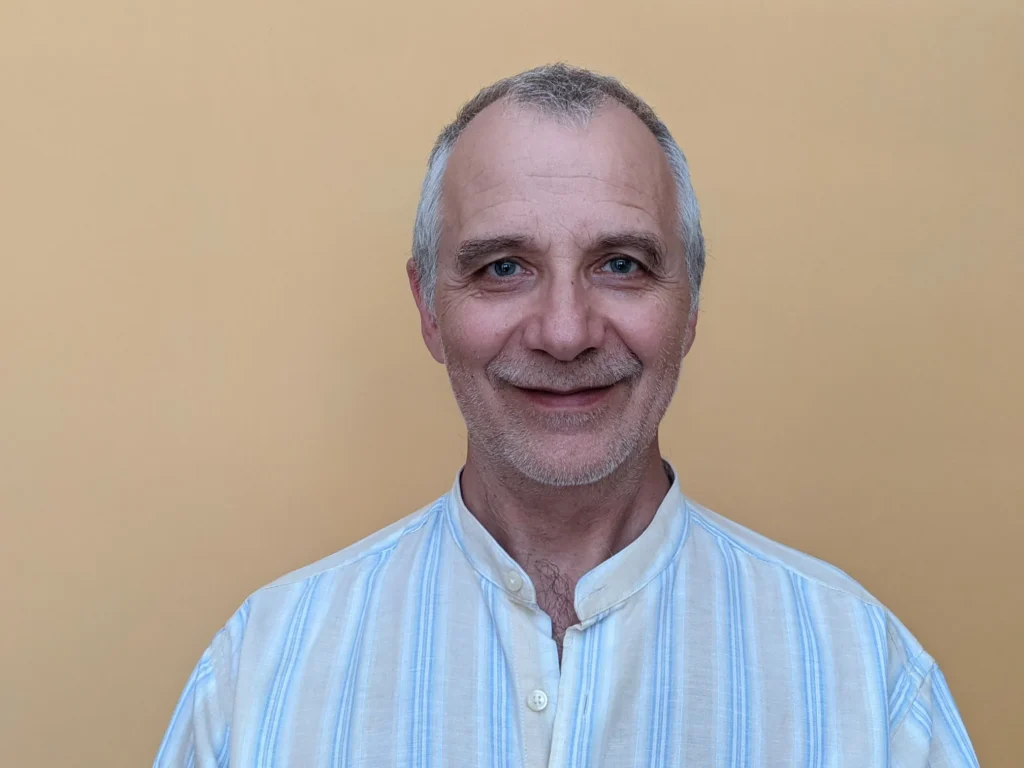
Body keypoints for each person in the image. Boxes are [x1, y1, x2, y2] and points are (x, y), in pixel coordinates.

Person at [155, 64, 978, 767]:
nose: (564, 331)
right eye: (503, 267)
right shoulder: (259, 675)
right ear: (429, 308)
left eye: (620, 264)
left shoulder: (865, 678)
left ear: (691, 305)